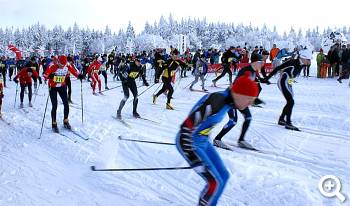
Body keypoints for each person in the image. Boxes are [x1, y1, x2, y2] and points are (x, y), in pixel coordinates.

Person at [176, 72, 259, 206]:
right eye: (249, 99)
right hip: (188, 142)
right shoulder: (217, 101)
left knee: (223, 176)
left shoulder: (230, 101)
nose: (249, 104)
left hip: (203, 141)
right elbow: (186, 127)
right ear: (239, 94)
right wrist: (193, 158)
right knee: (214, 182)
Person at [213, 53, 264, 149]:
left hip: (240, 99)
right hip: (231, 96)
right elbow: (235, 85)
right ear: (254, 62)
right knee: (233, 121)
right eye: (260, 62)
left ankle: (241, 140)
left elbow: (249, 87)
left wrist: (254, 99)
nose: (261, 64)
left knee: (248, 117)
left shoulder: (253, 72)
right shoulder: (245, 71)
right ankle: (217, 139)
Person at [262, 49, 312, 131]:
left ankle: (281, 119)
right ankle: (288, 123)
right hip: (283, 81)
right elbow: (277, 68)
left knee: (290, 102)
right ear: (303, 58)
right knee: (291, 101)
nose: (309, 62)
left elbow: (293, 73)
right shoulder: (293, 62)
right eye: (308, 60)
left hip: (288, 83)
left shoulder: (302, 64)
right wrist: (266, 78)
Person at [43, 55, 83, 132]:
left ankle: (65, 120)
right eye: (61, 65)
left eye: (64, 65)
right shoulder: (52, 66)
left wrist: (79, 76)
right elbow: (45, 76)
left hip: (62, 86)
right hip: (53, 87)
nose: (62, 66)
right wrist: (49, 76)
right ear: (58, 62)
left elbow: (74, 72)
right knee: (55, 105)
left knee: (66, 104)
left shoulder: (67, 65)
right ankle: (54, 123)